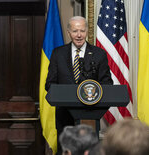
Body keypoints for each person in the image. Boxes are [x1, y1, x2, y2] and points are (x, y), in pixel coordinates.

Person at [45, 16, 113, 154]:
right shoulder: (58, 53)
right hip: (64, 115)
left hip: (90, 114)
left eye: (82, 30)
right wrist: (65, 94)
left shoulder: (99, 54)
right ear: (69, 32)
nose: (79, 35)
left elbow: (107, 84)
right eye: (75, 31)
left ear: (87, 31)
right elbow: (50, 84)